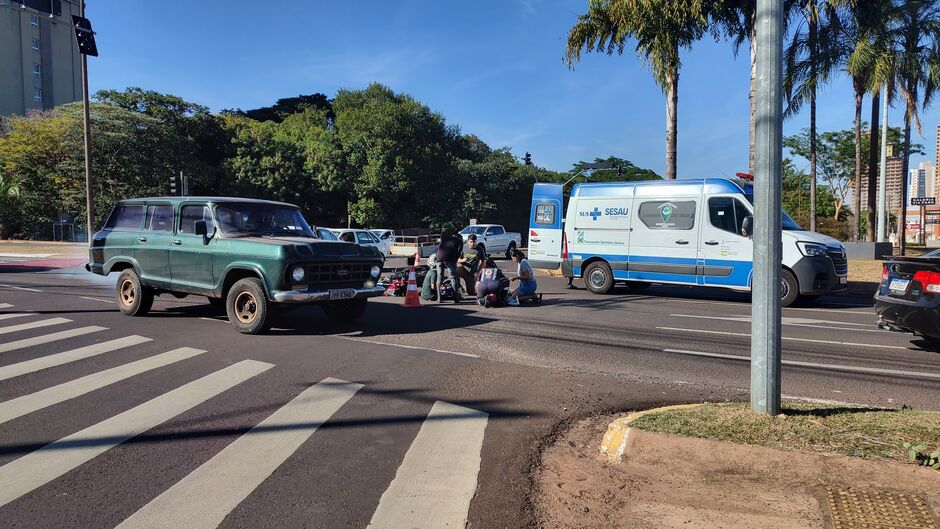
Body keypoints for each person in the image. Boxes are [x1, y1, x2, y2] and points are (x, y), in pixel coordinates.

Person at [435, 231, 464, 302]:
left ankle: (439, 298)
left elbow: (438, 248)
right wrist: (455, 260)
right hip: (450, 259)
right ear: (460, 238)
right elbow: (459, 252)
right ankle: (455, 298)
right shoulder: (459, 241)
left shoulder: (446, 238)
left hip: (439, 258)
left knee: (439, 278)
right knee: (453, 278)